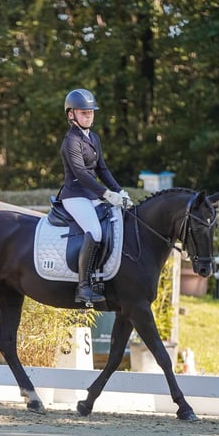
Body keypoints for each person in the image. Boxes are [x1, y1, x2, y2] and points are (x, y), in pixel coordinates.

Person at [58, 88, 132, 304]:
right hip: (75, 195)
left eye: (91, 112)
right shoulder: (71, 141)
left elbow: (102, 169)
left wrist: (119, 191)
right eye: (83, 112)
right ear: (71, 114)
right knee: (95, 231)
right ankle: (83, 287)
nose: (89, 116)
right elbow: (81, 174)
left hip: (91, 194)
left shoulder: (94, 138)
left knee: (116, 223)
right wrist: (105, 193)